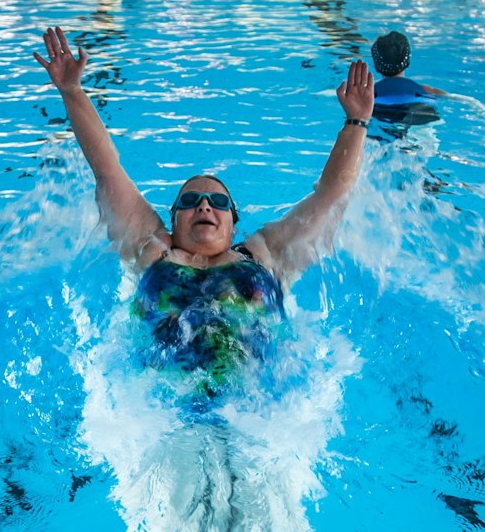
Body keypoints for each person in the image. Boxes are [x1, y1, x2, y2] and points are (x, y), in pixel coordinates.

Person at [34, 26, 373, 373]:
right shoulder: (151, 247)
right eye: (191, 200)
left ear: (233, 223)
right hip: (161, 401)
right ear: (174, 218)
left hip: (260, 402)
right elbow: (107, 169)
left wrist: (357, 121)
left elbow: (331, 195)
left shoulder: (266, 254)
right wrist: (72, 91)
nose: (204, 206)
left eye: (218, 202)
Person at [368, 31, 445, 121]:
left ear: (376, 65)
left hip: (380, 112)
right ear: (407, 62)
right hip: (420, 112)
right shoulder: (426, 90)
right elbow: (456, 98)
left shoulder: (368, 93)